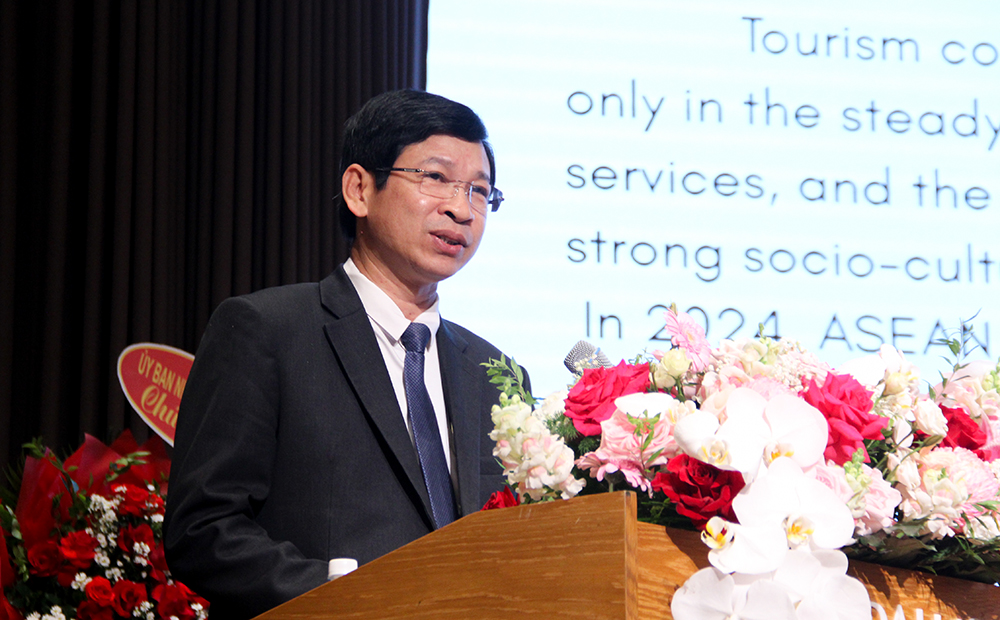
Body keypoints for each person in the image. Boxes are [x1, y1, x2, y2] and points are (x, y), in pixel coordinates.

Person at [164, 90, 520, 620]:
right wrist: (352, 597)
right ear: (359, 189)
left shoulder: (496, 376)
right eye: (435, 177)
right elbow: (202, 529)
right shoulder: (267, 331)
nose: (461, 209)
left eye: (480, 191)